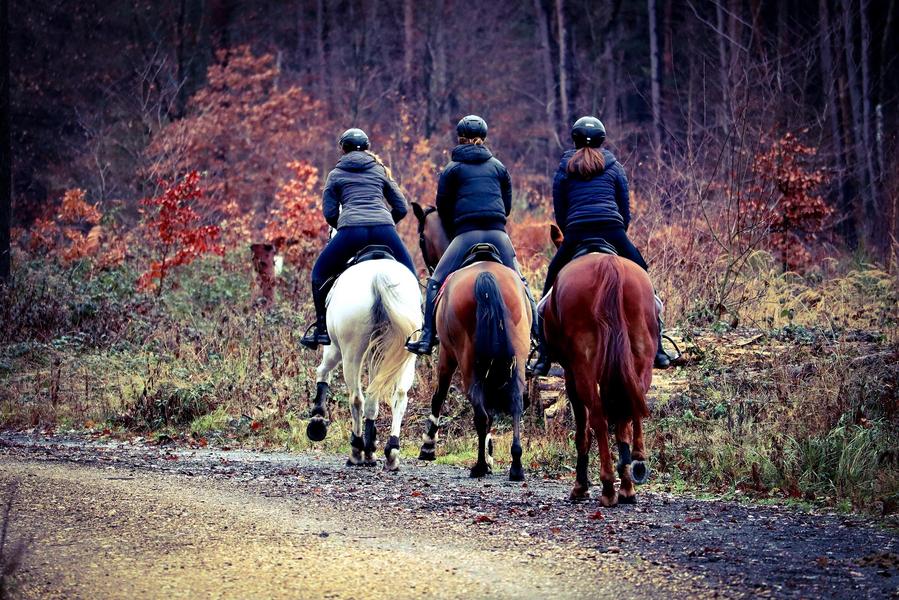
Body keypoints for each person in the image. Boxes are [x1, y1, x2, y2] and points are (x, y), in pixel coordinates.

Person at [529, 116, 671, 375]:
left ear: (573, 140)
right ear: (602, 139)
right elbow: (624, 208)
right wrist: (618, 233)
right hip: (612, 230)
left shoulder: (564, 169)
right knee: (644, 276)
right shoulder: (614, 167)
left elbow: (560, 211)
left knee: (548, 287)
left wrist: (571, 229)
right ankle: (658, 348)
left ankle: (544, 356)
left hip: (576, 233)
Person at [405, 115, 539, 356]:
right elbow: (506, 207)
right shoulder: (499, 167)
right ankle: (539, 340)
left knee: (435, 282)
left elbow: (443, 209)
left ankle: (426, 337)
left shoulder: (451, 169)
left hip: (466, 235)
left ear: (460, 138)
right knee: (521, 282)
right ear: (484, 138)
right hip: (498, 236)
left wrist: (459, 223)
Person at [299, 128, 416, 350]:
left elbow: (329, 213)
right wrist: (386, 223)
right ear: (368, 147)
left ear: (342, 148)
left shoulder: (335, 174)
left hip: (351, 231)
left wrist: (343, 228)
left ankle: (322, 329)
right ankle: (421, 328)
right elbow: (401, 206)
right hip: (384, 229)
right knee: (410, 274)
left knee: (319, 273)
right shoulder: (380, 170)